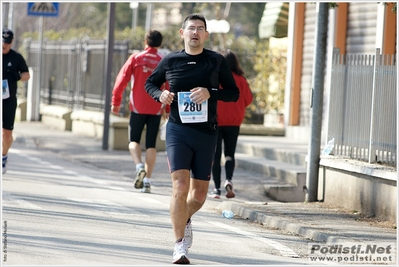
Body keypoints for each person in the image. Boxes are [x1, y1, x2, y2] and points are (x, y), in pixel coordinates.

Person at [145, 14, 239, 264]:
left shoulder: (216, 61)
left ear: (206, 35)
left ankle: (184, 218)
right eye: (191, 28)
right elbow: (150, 84)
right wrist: (160, 95)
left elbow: (233, 94)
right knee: (180, 187)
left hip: (207, 133)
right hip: (178, 130)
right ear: (182, 33)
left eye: (200, 29)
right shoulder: (171, 60)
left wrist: (211, 92)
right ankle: (179, 246)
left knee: (198, 196)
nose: (195, 32)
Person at [111, 30, 168, 193]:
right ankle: (148, 181)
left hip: (137, 107)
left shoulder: (136, 58)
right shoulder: (162, 60)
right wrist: (168, 108)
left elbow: (121, 80)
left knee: (133, 141)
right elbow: (169, 84)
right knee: (151, 145)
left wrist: (115, 102)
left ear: (145, 41)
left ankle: (138, 166)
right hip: (156, 107)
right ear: (160, 44)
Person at [209, 50, 253, 199]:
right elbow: (248, 99)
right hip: (234, 121)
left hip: (216, 120)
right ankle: (229, 179)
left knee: (215, 155)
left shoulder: (216, 78)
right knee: (229, 154)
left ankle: (216, 188)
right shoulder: (241, 79)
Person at [2, 29, 30, 174]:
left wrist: (18, 76)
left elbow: (27, 75)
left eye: (7, 42)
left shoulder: (16, 57)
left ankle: (4, 154)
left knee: (7, 135)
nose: (4, 45)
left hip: (8, 100)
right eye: (2, 41)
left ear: (11, 42)